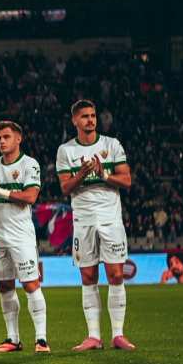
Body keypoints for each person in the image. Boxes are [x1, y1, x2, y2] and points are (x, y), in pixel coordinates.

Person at [56, 100, 134, 350]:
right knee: (88, 276)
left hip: (111, 219)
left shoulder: (112, 145)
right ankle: (94, 336)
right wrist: (83, 172)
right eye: (84, 116)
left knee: (116, 274)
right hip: (83, 220)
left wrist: (103, 174)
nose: (90, 119)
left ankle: (118, 335)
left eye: (93, 115)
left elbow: (127, 180)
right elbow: (65, 187)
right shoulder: (66, 151)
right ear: (74, 121)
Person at [0, 121, 50, 353]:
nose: (1, 141)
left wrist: (1, 190)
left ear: (19, 139)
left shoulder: (29, 164)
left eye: (6, 137)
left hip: (21, 236)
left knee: (30, 284)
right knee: (5, 285)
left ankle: (41, 340)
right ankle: (13, 339)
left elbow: (31, 197)